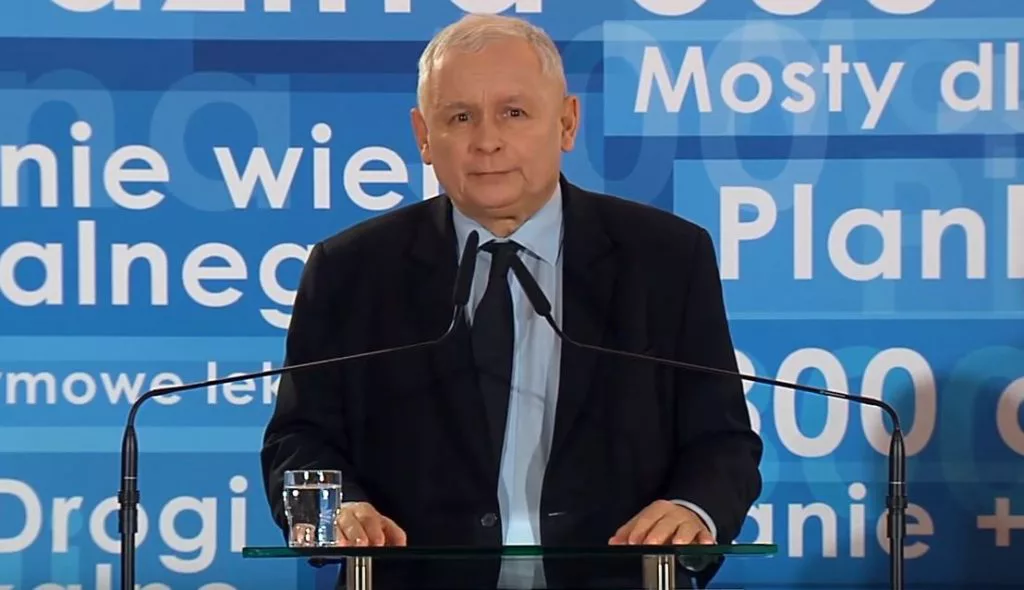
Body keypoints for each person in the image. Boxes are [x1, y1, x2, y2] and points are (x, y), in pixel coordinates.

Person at [260, 13, 763, 590]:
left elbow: (721, 440)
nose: (487, 141)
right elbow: (299, 440)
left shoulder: (666, 259)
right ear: (423, 135)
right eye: (460, 117)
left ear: (567, 122)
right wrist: (337, 514)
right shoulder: (350, 270)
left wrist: (692, 511)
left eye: (514, 113)